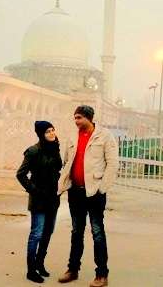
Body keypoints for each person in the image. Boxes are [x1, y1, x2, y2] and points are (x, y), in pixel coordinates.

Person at [57, 105, 118, 287]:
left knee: (97, 232)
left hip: (94, 192)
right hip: (76, 191)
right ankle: (73, 269)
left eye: (79, 118)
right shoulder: (73, 136)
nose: (76, 122)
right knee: (76, 231)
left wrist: (102, 188)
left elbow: (113, 163)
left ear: (89, 118)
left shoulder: (105, 136)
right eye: (75, 118)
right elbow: (67, 159)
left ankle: (101, 275)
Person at [16, 121, 63, 284]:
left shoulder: (55, 149)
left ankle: (40, 264)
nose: (52, 133)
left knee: (48, 232)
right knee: (36, 233)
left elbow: (57, 170)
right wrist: (34, 191)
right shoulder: (33, 151)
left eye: (53, 130)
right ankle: (31, 270)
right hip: (39, 199)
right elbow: (20, 174)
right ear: (41, 134)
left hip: (53, 199)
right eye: (48, 131)